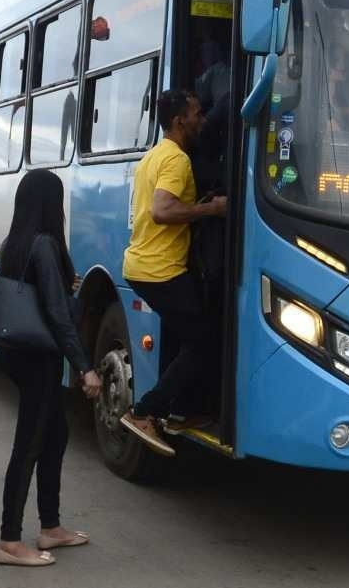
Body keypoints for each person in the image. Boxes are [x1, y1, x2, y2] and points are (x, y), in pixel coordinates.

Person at [0, 169, 102, 567]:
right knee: (30, 445)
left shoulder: (12, 243)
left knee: (55, 435)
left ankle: (51, 527)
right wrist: (85, 368)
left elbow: (37, 296)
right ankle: (8, 541)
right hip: (39, 357)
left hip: (18, 352)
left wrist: (59, 283)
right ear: (52, 205)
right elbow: (57, 315)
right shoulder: (44, 244)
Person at [119, 89, 227, 457]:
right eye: (197, 113)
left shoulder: (154, 155)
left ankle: (185, 410)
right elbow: (162, 211)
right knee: (204, 340)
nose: (203, 119)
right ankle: (145, 412)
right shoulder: (177, 160)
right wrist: (211, 211)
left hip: (144, 265)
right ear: (180, 120)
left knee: (191, 333)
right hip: (159, 269)